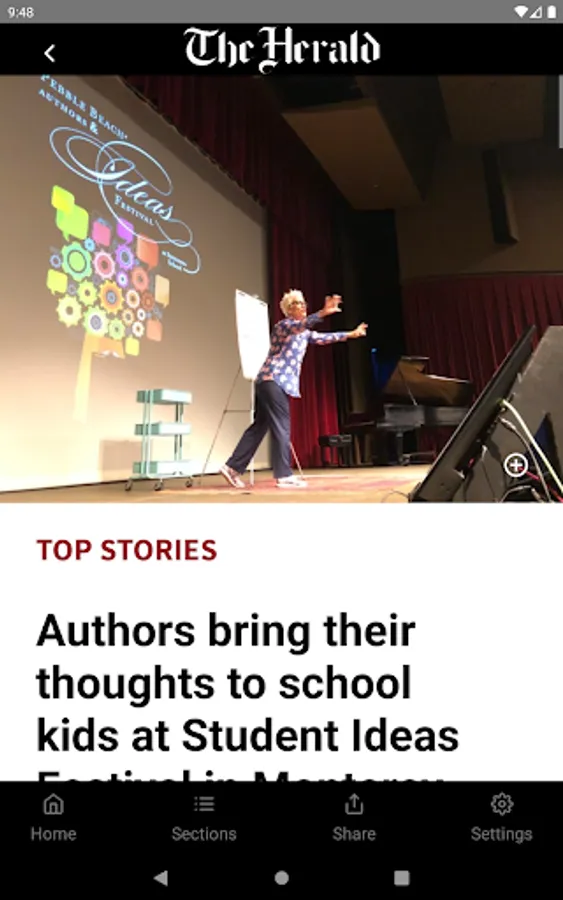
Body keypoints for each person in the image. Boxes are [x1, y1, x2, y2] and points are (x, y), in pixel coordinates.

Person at [220, 290, 368, 489]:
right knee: (282, 426)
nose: (303, 305)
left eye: (303, 302)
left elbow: (323, 338)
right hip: (274, 380)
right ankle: (284, 476)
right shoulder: (284, 326)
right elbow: (301, 325)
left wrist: (350, 334)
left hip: (270, 382)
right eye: (298, 303)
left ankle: (231, 467)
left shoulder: (304, 333)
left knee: (260, 426)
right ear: (289, 309)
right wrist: (323, 312)